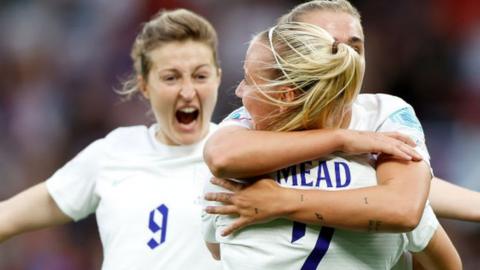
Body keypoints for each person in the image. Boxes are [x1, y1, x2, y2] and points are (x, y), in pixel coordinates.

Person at [201, 1, 462, 269]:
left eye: (354, 46)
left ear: (283, 94)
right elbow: (433, 244)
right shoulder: (373, 175)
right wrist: (342, 139)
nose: (240, 91)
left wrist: (283, 200)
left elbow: (218, 247)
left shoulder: (233, 183)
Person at [0, 9, 222, 270]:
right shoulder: (113, 153)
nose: (187, 91)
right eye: (171, 77)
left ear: (218, 77)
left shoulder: (243, 155)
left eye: (200, 76)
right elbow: (8, 216)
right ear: (144, 85)